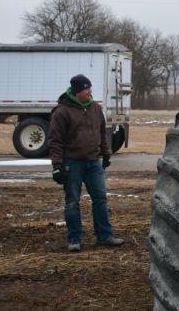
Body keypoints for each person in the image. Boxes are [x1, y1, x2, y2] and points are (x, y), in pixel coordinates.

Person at [49, 74, 124, 252]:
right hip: (72, 163)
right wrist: (57, 166)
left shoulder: (95, 108)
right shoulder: (62, 112)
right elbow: (55, 141)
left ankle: (105, 236)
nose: (90, 91)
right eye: (86, 88)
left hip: (93, 163)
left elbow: (102, 133)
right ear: (77, 91)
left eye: (90, 88)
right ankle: (75, 239)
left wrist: (106, 154)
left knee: (100, 200)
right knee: (72, 202)